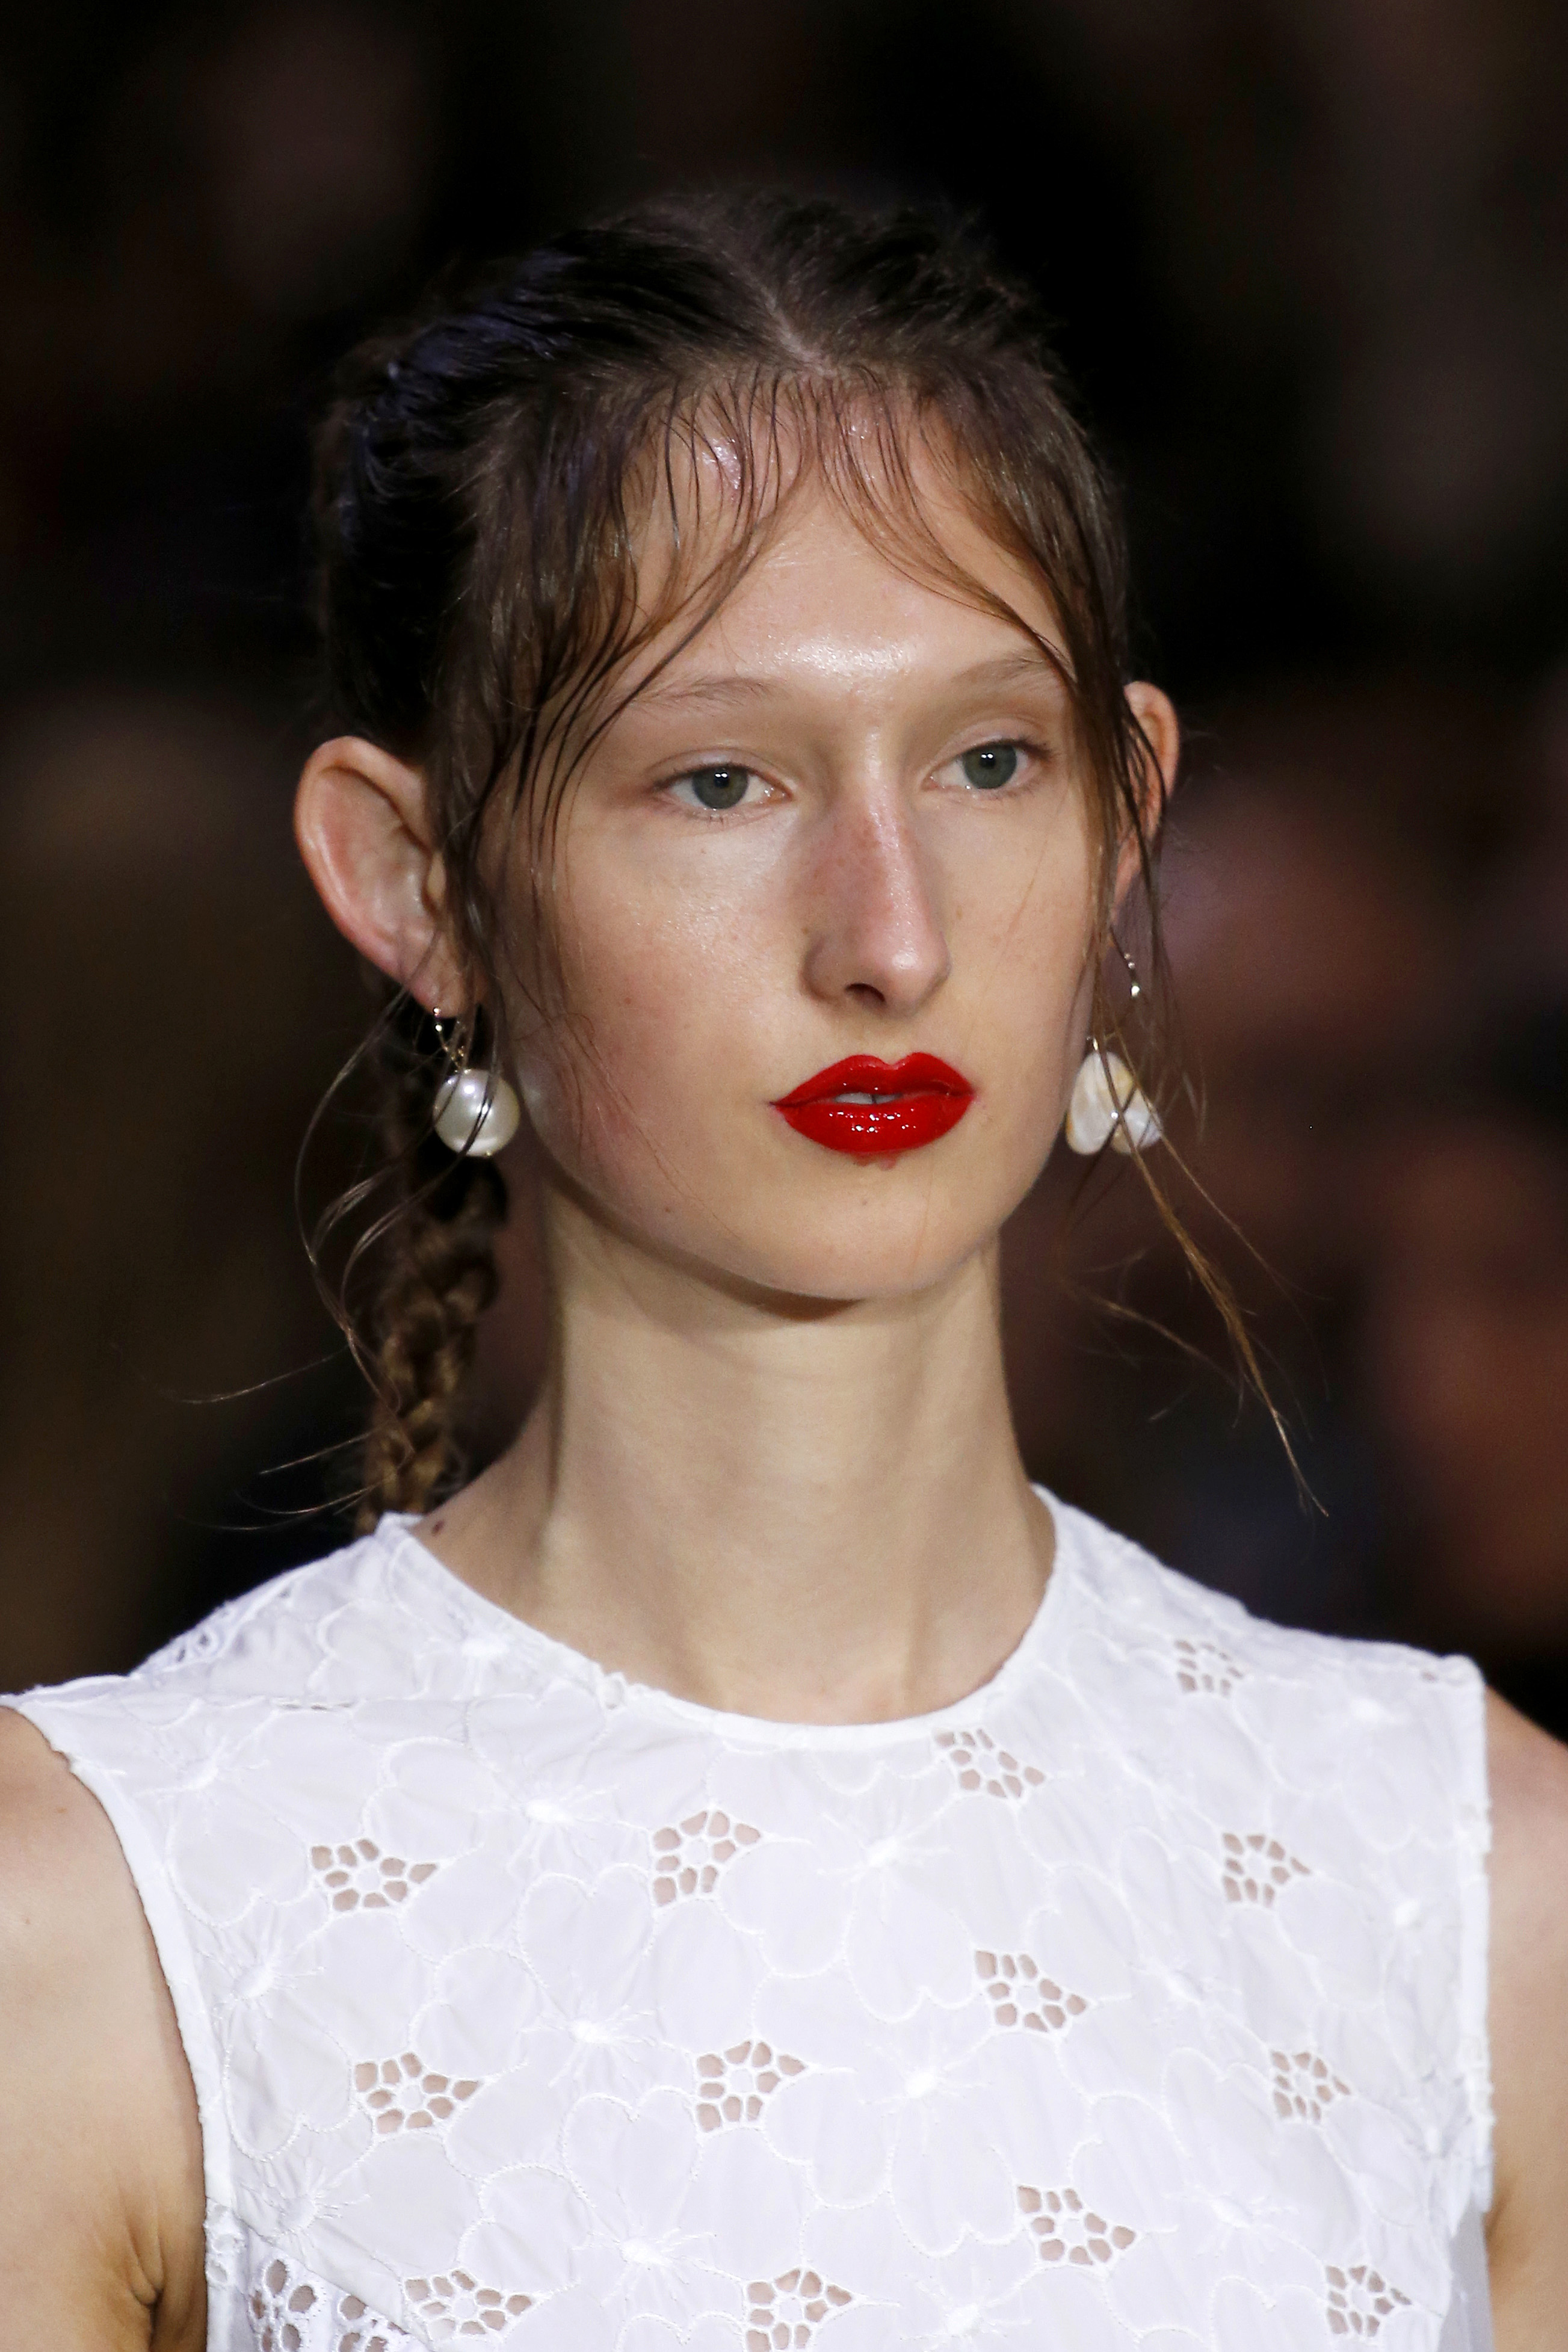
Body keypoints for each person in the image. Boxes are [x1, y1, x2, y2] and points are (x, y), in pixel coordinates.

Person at [1, 193, 1564, 2352]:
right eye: (720, 779)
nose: (890, 932)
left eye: (989, 763)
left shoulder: (1472, 1882)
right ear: (416, 879)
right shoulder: (103, 1921)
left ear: (1128, 817)